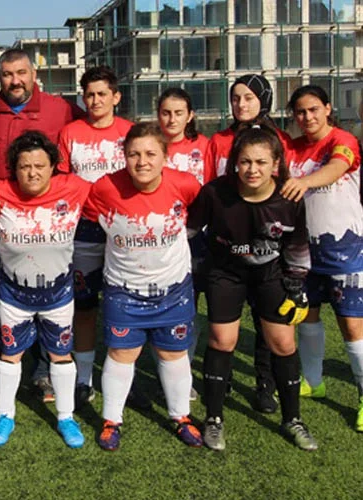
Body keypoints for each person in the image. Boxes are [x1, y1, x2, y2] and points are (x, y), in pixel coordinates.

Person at [0, 48, 83, 401]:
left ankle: (44, 369)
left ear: (34, 75)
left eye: (21, 73)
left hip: (46, 224)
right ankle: (5, 362)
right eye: (8, 74)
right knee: (0, 295)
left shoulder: (60, 109)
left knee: (49, 295)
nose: (15, 81)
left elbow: (87, 129)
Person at [191, 126, 317, 451]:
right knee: (223, 339)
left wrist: (296, 283)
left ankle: (292, 419)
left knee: (283, 343)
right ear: (235, 162)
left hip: (270, 274)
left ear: (276, 163)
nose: (252, 169)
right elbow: (188, 231)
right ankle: (213, 418)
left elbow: (297, 244)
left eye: (261, 162)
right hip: (225, 273)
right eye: (245, 161)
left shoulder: (289, 198)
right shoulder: (215, 192)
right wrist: (194, 263)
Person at [84, 123, 203, 451]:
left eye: (151, 153)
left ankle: (181, 416)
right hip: (124, 290)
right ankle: (111, 420)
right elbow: (91, 217)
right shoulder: (105, 187)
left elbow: (199, 216)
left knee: (173, 352)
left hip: (173, 289)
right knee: (122, 353)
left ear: (165, 156)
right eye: (134, 154)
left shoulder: (186, 184)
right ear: (123, 157)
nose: (142, 162)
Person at [0, 131, 90, 449]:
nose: (32, 173)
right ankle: (5, 415)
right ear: (14, 169)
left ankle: (66, 416)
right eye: (24, 166)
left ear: (53, 166)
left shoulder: (75, 188)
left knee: (60, 354)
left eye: (40, 165)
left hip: (58, 294)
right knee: (10, 354)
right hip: (13, 294)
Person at [204, 74, 287, 413]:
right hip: (228, 243)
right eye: (236, 98)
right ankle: (219, 382)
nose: (241, 104)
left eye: (249, 97)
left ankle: (265, 384)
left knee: (267, 318)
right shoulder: (219, 140)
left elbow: (285, 187)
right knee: (223, 320)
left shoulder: (278, 139)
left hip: (267, 243)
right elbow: (210, 186)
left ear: (264, 100)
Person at [283, 85, 363, 431]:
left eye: (314, 109)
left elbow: (337, 167)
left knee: (352, 325)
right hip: (305, 252)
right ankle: (313, 381)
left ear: (328, 109)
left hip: (346, 250)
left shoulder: (342, 139)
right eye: (300, 112)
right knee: (308, 317)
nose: (307, 117)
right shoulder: (292, 147)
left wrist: (304, 182)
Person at [57, 66, 132, 408]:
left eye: (102, 94)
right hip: (83, 228)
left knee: (124, 305)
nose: (96, 100)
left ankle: (127, 377)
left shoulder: (129, 132)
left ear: (116, 97)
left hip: (122, 226)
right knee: (84, 306)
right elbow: (61, 180)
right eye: (89, 94)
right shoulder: (70, 132)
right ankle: (84, 379)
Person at [157, 87, 211, 401]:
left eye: (178, 113)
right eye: (166, 113)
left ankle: (184, 372)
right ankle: (161, 368)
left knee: (191, 308)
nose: (172, 119)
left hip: (197, 238)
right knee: (165, 307)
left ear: (190, 115)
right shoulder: (151, 146)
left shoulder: (204, 146)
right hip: (158, 239)